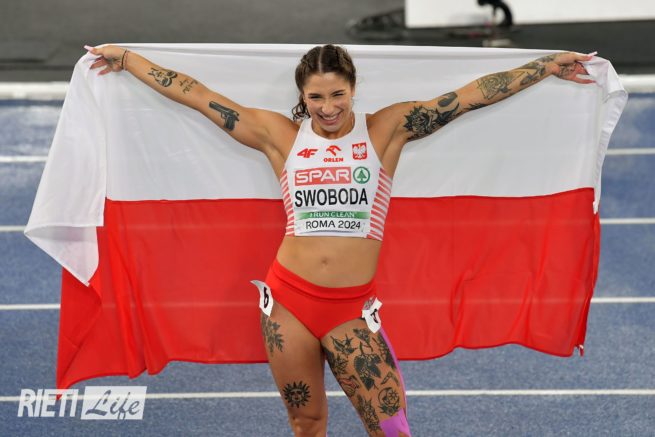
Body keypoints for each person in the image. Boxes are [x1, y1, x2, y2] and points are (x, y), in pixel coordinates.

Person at [86, 43, 594, 437]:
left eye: (337, 95)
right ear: (302, 97)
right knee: (306, 425)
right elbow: (196, 94)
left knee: (391, 428)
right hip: (287, 304)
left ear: (353, 90)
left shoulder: (386, 130)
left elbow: (469, 97)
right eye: (316, 97)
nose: (327, 108)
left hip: (350, 310)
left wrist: (545, 67)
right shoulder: (280, 136)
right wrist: (127, 60)